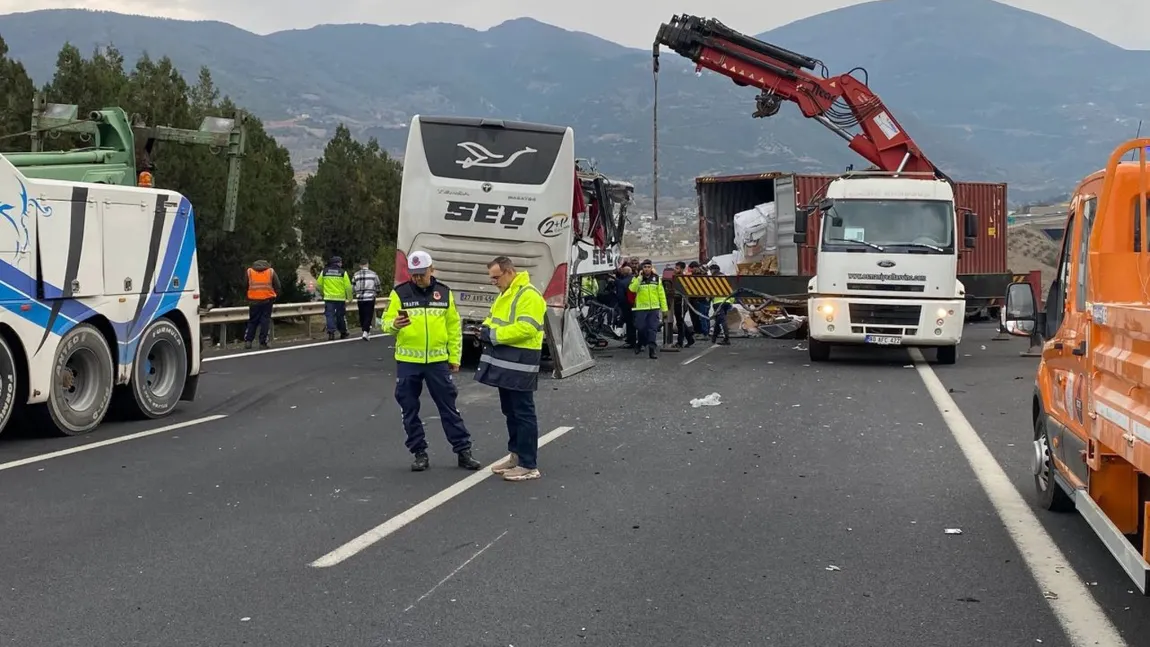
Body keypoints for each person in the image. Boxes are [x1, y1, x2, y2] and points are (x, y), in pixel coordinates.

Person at [381, 251, 482, 472]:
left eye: (422, 273)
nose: (417, 278)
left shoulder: (444, 293)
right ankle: (419, 452)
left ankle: (463, 451)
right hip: (408, 361)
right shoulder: (400, 293)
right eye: (414, 274)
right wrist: (394, 324)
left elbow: (453, 328)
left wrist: (454, 358)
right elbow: (385, 323)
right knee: (409, 409)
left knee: (449, 408)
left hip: (437, 362)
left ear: (432, 270)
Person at [477, 255, 546, 482]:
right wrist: (484, 329)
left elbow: (527, 328)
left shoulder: (529, 295)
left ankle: (528, 464)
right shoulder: (505, 294)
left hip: (522, 361)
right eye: (491, 278)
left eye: (496, 277)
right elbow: (492, 318)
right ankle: (516, 456)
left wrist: (494, 335)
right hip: (506, 360)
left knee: (523, 412)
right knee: (511, 411)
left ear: (509, 272)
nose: (494, 282)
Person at [628, 259, 668, 358]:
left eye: (649, 267)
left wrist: (664, 309)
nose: (647, 269)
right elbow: (632, 289)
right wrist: (639, 279)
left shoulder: (656, 279)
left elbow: (661, 294)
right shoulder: (636, 278)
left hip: (654, 308)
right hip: (641, 309)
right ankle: (640, 343)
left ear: (651, 268)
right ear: (642, 268)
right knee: (641, 328)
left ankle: (652, 350)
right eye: (645, 267)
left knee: (652, 329)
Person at [243, 260, 281, 350]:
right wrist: (275, 296)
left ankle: (248, 341)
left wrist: (248, 297)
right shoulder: (270, 271)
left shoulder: (250, 272)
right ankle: (263, 342)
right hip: (267, 300)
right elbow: (278, 286)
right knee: (265, 321)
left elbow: (245, 285)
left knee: (252, 321)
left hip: (253, 300)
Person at [316, 255, 353, 340]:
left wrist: (323, 293)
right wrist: (350, 298)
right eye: (340, 262)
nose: (341, 264)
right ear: (338, 263)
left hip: (329, 298)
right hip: (340, 299)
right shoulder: (343, 272)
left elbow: (318, 285)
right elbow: (348, 287)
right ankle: (343, 332)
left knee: (329, 315)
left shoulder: (324, 272)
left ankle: (331, 333)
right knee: (340, 316)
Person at [352, 259, 382, 340]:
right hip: (370, 297)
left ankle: (365, 329)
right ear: (367, 264)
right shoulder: (373, 274)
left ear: (360, 265)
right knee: (369, 314)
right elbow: (378, 285)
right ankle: (366, 331)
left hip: (360, 298)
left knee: (362, 314)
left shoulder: (356, 275)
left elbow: (353, 287)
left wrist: (355, 293)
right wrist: (377, 292)